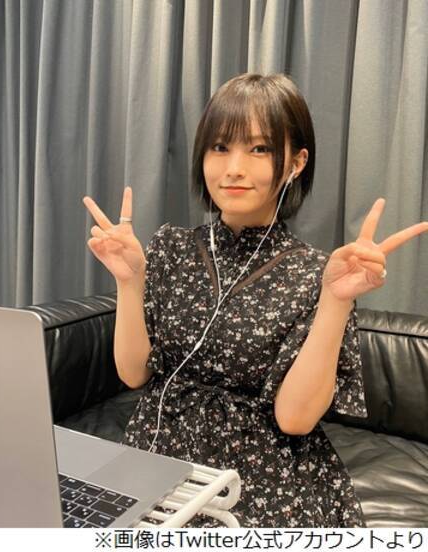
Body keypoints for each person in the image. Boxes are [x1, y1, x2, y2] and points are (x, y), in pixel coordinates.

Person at [82, 73, 428, 528]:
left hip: (261, 472)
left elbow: (294, 420)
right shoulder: (171, 247)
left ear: (296, 162)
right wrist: (130, 282)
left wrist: (335, 301)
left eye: (259, 149)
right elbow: (134, 374)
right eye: (220, 147)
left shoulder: (319, 274)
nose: (233, 168)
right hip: (158, 453)